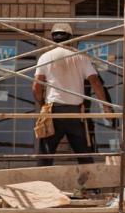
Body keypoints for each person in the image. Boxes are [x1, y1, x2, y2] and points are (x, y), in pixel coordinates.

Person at [32, 22, 108, 166]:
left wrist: (42, 104)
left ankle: (40, 185)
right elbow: (96, 82)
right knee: (83, 154)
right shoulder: (81, 57)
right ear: (71, 38)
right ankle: (91, 186)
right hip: (75, 113)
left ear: (53, 38)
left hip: (54, 111)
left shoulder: (45, 57)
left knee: (45, 155)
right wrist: (106, 106)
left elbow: (36, 86)